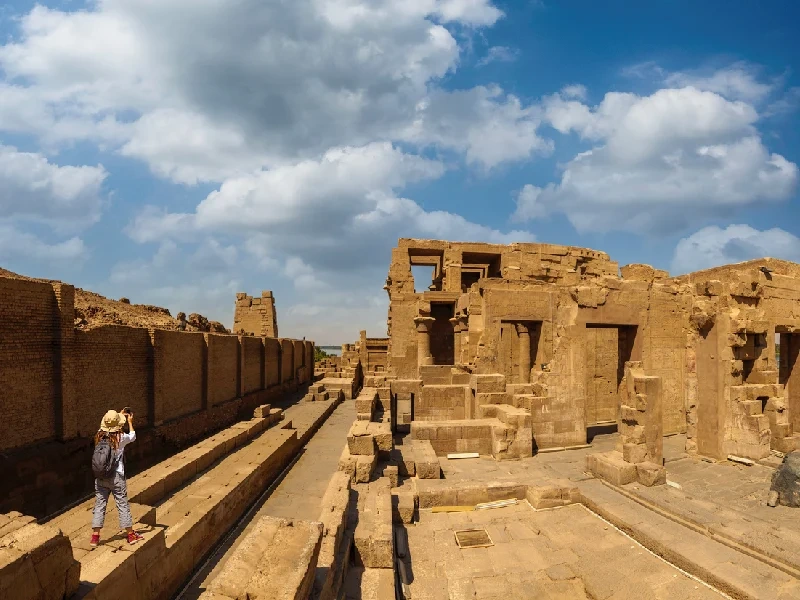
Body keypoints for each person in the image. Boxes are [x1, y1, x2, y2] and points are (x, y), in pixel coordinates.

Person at [90, 409, 144, 547]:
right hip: (116, 477)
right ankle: (131, 535)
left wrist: (117, 416)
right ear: (118, 425)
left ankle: (95, 537)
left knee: (100, 504)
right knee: (122, 504)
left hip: (101, 477)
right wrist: (130, 422)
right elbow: (133, 436)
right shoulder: (121, 437)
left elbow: (109, 425)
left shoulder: (99, 435)